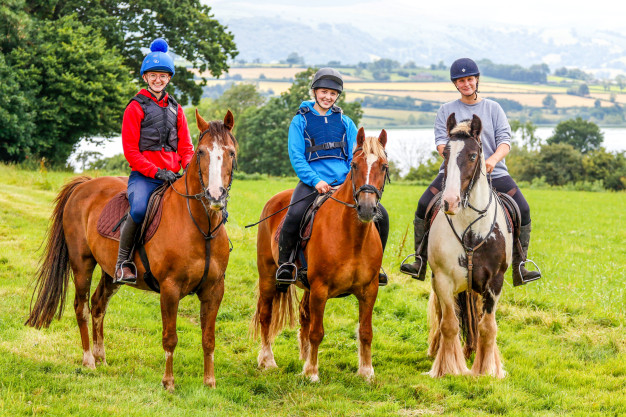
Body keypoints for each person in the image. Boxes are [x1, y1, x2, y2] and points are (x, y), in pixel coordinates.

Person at [400, 58, 541, 286]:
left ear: (476, 80)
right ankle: (420, 260)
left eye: (469, 79)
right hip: (455, 173)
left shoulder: (493, 108)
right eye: (460, 81)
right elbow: (440, 144)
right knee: (423, 204)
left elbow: (505, 141)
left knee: (522, 208)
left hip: (493, 173)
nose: (466, 84)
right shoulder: (446, 110)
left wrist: (492, 161)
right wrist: (454, 162)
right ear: (455, 84)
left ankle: (520, 265)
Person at [275, 68, 390, 288]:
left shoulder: (346, 122)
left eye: (333, 94)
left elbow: (355, 156)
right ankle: (286, 265)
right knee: (294, 214)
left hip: (344, 184)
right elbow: (297, 157)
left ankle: (377, 266)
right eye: (324, 92)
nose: (328, 97)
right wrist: (316, 181)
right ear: (315, 91)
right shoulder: (300, 121)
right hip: (313, 183)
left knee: (381, 215)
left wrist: (347, 181)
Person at [114, 38, 195, 284]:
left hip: (174, 177)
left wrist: (189, 169)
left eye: (162, 75)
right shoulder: (135, 108)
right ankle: (123, 263)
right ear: (145, 78)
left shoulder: (176, 109)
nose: (158, 80)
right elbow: (131, 152)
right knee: (138, 209)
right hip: (146, 178)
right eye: (153, 75)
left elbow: (186, 147)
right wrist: (157, 172)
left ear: (169, 78)